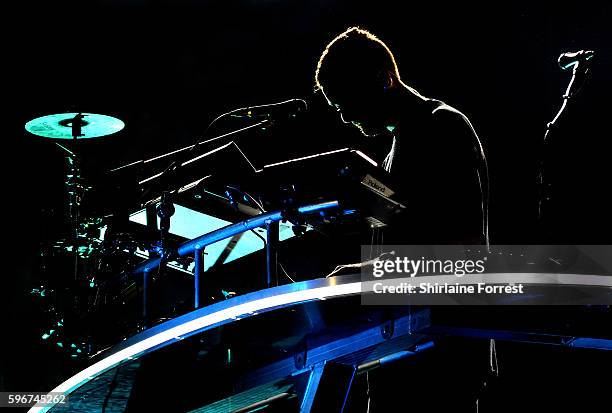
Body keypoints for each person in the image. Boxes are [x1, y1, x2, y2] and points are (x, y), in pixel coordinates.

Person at [315, 27, 489, 245]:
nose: (346, 117)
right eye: (339, 108)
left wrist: (361, 272)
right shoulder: (393, 155)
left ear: (385, 80)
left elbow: (461, 242)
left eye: (350, 100)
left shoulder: (443, 125)